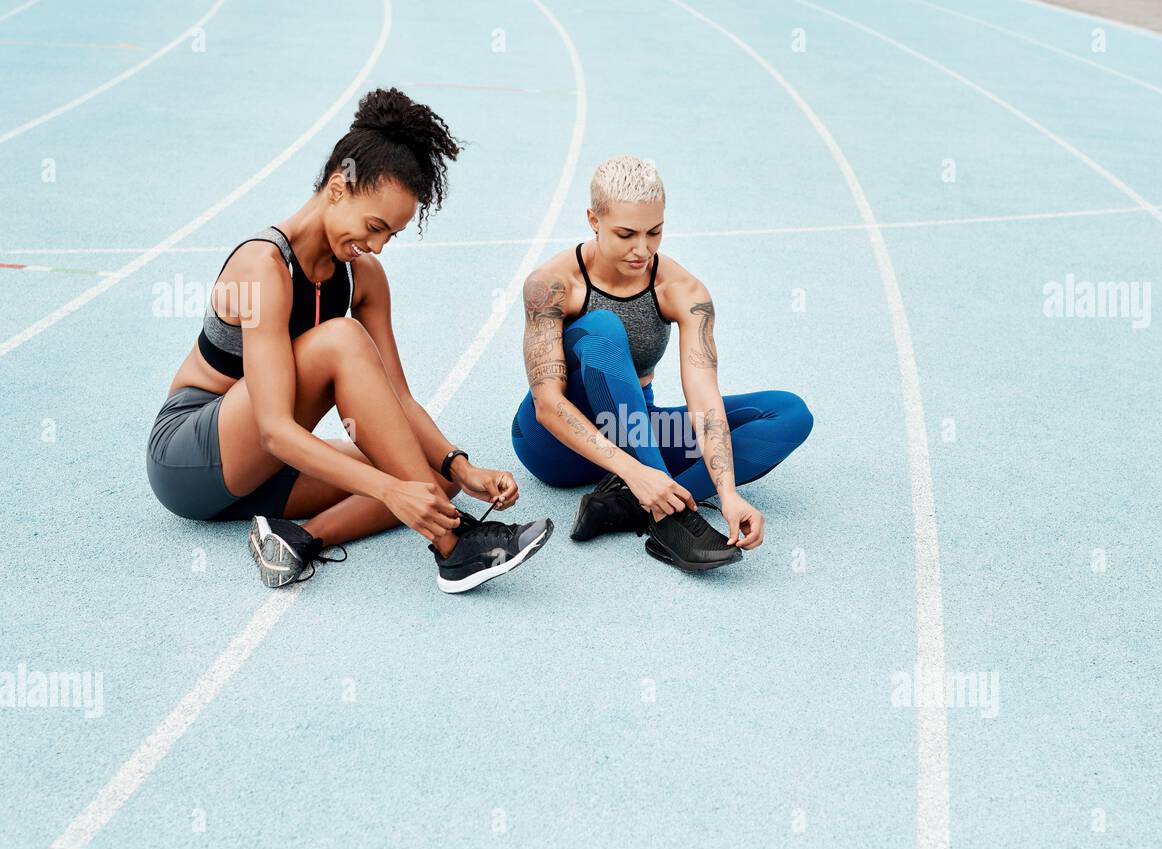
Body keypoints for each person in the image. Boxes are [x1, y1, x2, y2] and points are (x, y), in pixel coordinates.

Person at [146, 88, 552, 594]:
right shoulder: (262, 267)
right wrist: (391, 490)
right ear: (338, 187)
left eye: (391, 235)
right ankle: (454, 550)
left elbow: (398, 399)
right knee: (342, 343)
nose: (378, 245)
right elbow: (273, 428)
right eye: (375, 226)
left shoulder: (364, 276)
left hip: (267, 475)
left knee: (433, 480)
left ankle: (296, 538)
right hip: (193, 457)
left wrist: (460, 466)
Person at [510, 156, 812, 571]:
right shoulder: (552, 284)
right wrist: (636, 471)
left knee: (790, 412)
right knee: (602, 327)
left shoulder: (683, 290)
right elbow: (547, 406)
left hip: (633, 431)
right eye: (626, 234)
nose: (643, 249)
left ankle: (632, 506)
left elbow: (705, 401)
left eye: (655, 232)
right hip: (554, 445)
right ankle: (669, 517)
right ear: (593, 220)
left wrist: (726, 493)